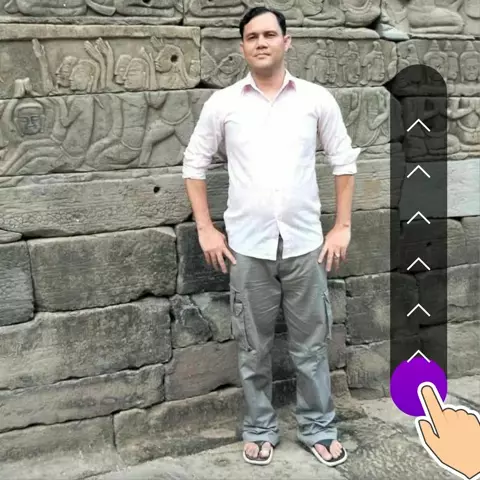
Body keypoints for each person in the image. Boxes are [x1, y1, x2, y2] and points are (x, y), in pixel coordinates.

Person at [182, 6, 360, 468]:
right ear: (243, 46)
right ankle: (260, 427)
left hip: (305, 246)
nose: (261, 42)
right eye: (252, 36)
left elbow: (343, 160)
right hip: (247, 247)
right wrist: (206, 228)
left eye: (269, 34)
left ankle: (318, 427)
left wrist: (342, 226)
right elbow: (193, 165)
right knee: (252, 347)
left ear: (286, 40)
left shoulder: (315, 99)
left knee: (311, 346)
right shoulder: (224, 104)